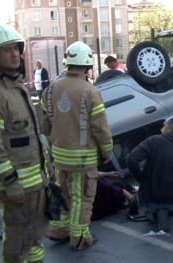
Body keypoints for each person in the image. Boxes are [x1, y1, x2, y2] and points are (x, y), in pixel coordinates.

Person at [0, 24, 63, 263]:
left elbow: (33, 138)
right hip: (16, 185)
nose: (14, 54)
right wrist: (10, 181)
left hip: (36, 179)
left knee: (37, 230)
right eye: (6, 50)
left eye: (16, 48)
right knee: (17, 237)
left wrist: (47, 171)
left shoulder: (19, 88)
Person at [43, 41, 114, 251]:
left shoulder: (50, 89)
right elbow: (100, 127)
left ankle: (58, 230)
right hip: (83, 159)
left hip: (59, 157)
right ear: (88, 65)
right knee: (82, 199)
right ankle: (80, 237)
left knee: (62, 195)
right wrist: (107, 151)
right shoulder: (90, 91)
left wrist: (53, 144)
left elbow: (45, 123)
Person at [127, 115, 173, 232]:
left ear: (171, 127)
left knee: (151, 206)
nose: (161, 129)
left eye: (164, 125)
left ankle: (157, 215)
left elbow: (131, 159)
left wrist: (142, 179)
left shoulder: (154, 141)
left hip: (152, 201)